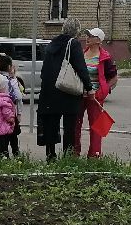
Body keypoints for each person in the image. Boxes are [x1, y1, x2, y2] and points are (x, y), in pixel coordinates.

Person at [37, 17, 94, 160]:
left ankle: (50, 155)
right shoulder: (73, 44)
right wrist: (89, 87)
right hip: (67, 90)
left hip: (49, 90)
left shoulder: (52, 44)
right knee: (69, 126)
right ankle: (67, 156)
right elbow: (81, 67)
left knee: (51, 123)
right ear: (77, 31)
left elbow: (44, 69)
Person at [82, 28, 119, 158]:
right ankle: (74, 153)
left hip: (95, 97)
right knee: (76, 125)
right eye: (87, 35)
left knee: (96, 127)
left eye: (90, 36)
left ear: (98, 40)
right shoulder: (82, 54)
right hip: (79, 95)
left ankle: (94, 155)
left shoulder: (105, 57)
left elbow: (114, 78)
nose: (87, 38)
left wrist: (103, 91)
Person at [0, 52, 25, 158]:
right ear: (9, 67)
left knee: (2, 135)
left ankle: (4, 155)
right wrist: (19, 113)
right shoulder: (11, 81)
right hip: (10, 112)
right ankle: (16, 154)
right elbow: (18, 97)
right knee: (13, 135)